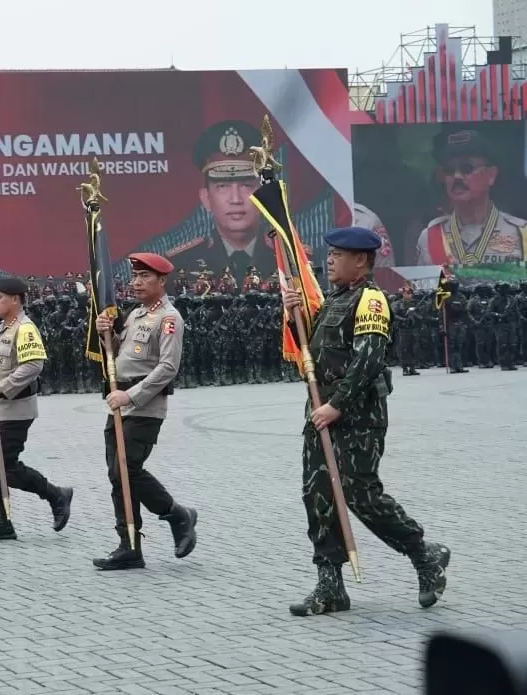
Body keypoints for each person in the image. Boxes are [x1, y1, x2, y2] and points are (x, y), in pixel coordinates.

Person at [282, 226, 450, 616]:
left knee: (360, 494)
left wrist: (337, 405)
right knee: (319, 494)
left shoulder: (370, 300)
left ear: (361, 260)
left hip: (357, 415)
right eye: (331, 254)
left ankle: (424, 554)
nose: (330, 260)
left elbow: (368, 359)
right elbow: (315, 351)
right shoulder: (333, 301)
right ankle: (330, 587)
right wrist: (294, 319)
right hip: (321, 412)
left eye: (338, 255)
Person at [91, 252, 198, 571]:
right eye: (134, 277)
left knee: (127, 470)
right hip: (119, 402)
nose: (136, 282)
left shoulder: (169, 318)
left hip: (143, 406)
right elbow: (117, 356)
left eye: (144, 277)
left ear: (162, 281)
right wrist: (105, 333)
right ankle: (130, 546)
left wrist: (131, 396)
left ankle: (177, 515)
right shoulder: (135, 314)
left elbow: (168, 367)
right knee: (117, 475)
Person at [0, 276, 73, 541]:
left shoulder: (25, 328)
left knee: (7, 467)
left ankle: (56, 495)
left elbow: (34, 366)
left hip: (15, 410)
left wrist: (2, 386)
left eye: (0, 297)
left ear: (16, 299)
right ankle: (1, 521)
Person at [167, 120, 276, 279]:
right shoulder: (180, 263)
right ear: (206, 198)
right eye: (223, 186)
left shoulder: (290, 260)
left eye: (246, 185)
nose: (236, 199)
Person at [416, 129, 527, 266]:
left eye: (467, 168)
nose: (457, 176)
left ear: (491, 175)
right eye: (450, 170)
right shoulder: (430, 237)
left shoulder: (521, 233)